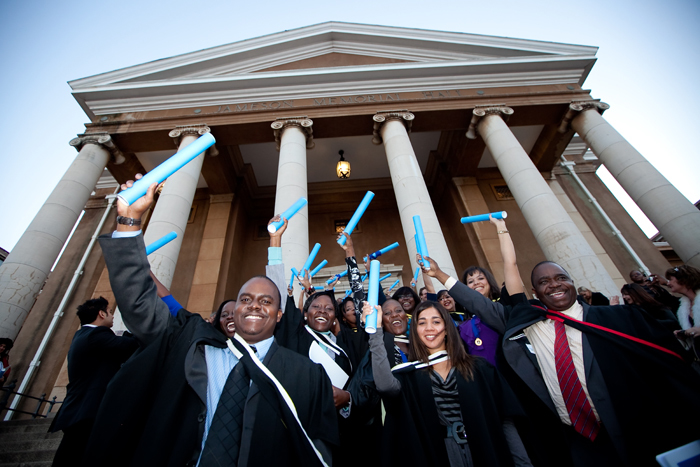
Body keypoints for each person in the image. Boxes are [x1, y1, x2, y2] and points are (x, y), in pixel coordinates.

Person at [83, 177, 338, 467]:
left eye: (266, 302)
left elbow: (319, 449)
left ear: (280, 315)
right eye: (245, 299)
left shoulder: (307, 375)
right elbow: (139, 301)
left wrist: (275, 243)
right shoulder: (193, 347)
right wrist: (129, 221)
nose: (254, 304)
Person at [425, 253, 700, 466]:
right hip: (571, 438)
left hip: (633, 430)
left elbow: (668, 367)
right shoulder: (528, 323)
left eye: (560, 278)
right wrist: (439, 274)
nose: (554, 285)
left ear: (571, 282)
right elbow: (479, 304)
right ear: (535, 292)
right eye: (544, 282)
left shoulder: (616, 321)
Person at [363, 300, 533, 466]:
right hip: (440, 454)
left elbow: (505, 420)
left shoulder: (479, 368)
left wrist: (522, 462)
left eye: (436, 321)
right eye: (422, 323)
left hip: (485, 449)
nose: (429, 328)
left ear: (446, 329)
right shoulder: (410, 375)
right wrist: (375, 334)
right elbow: (385, 386)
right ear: (415, 331)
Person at [49, 297, 138, 467]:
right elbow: (128, 346)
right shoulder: (96, 334)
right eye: (110, 312)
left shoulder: (82, 334)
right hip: (88, 410)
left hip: (81, 409)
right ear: (101, 313)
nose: (112, 316)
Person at [665, 265, 700, 355]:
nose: (668, 283)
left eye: (670, 279)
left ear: (683, 279)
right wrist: (684, 336)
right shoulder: (682, 309)